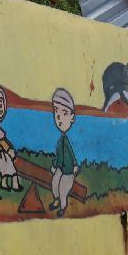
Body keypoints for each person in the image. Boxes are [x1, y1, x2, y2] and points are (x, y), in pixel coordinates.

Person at [49, 88, 78, 217]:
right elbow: (58, 155)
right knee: (54, 182)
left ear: (72, 118)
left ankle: (62, 206)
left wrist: (76, 165)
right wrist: (55, 165)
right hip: (60, 168)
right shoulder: (60, 140)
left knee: (63, 189)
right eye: (56, 111)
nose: (59, 117)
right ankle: (56, 199)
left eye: (64, 113)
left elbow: (70, 154)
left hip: (68, 170)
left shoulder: (65, 141)